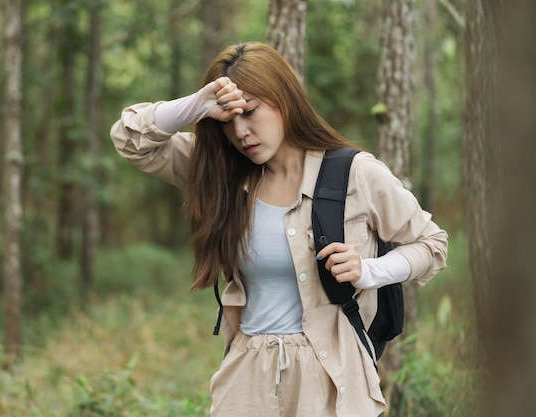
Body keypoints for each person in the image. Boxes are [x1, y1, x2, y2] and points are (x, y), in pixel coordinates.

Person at [110, 41, 448, 417]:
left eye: (250, 112)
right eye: (227, 122)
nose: (240, 132)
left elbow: (431, 243)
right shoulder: (219, 172)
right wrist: (200, 104)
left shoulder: (354, 173)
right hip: (246, 378)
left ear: (283, 99)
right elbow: (131, 140)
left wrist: (369, 271)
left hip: (331, 377)